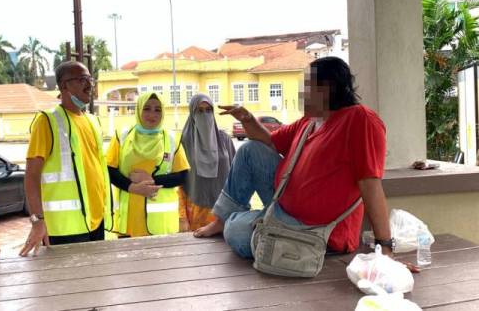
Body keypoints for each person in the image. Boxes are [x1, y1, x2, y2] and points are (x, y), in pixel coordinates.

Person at [195, 57, 399, 261]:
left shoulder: (359, 119)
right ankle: (224, 219)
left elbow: (371, 186)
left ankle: (247, 222)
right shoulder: (310, 122)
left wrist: (385, 248)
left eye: (307, 86)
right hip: (283, 206)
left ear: (326, 88)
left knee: (236, 232)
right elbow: (269, 141)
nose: (301, 93)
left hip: (320, 231)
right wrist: (247, 119)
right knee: (249, 151)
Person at [20, 61, 112, 256]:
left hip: (95, 221)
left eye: (90, 79)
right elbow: (31, 176)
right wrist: (37, 222)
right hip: (64, 228)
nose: (89, 84)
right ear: (63, 86)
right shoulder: (47, 121)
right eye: (81, 80)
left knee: (95, 283)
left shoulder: (92, 121)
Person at [106, 92, 189, 237]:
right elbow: (110, 169)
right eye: (147, 108)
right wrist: (132, 187)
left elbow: (182, 176)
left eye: (158, 110)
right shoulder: (122, 136)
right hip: (129, 218)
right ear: (138, 110)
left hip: (161, 221)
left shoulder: (171, 139)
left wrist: (150, 181)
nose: (152, 114)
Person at [178, 93, 235, 231]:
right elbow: (179, 183)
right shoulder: (185, 142)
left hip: (223, 211)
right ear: (192, 113)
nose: (205, 115)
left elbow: (237, 175)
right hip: (195, 211)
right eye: (200, 111)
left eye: (208, 110)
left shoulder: (224, 139)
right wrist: (182, 218)